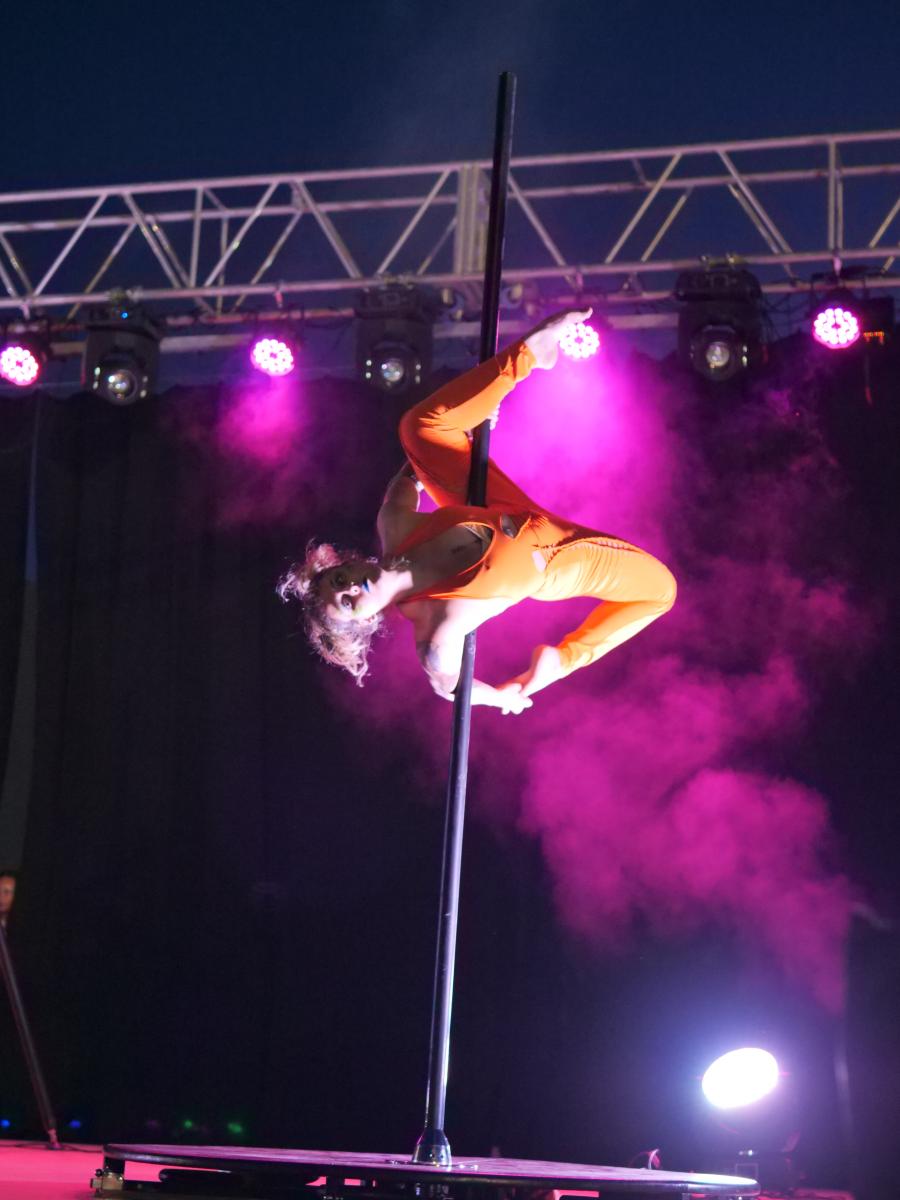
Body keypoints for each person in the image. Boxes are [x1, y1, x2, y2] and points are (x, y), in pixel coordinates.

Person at [279, 310, 676, 714]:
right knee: (659, 591)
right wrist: (502, 697)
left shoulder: (394, 524)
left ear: (349, 563)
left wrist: (466, 428)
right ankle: (564, 661)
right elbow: (449, 687)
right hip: (554, 557)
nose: (350, 587)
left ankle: (530, 353)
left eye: (339, 579)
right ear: (366, 621)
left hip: (492, 504)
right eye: (347, 602)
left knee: (416, 428)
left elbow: (415, 469)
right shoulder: (436, 631)